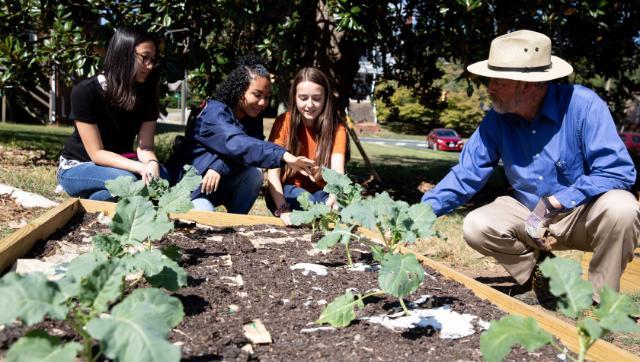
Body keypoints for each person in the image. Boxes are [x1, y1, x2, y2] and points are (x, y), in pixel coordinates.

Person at [421, 30, 639, 299]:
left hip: (581, 215)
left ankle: (601, 299)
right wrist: (418, 215)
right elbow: (466, 175)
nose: (489, 88)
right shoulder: (497, 120)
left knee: (623, 207)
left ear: (527, 85)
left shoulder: (583, 106)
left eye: (497, 81)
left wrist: (558, 201)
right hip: (528, 215)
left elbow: (618, 172)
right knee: (476, 225)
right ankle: (541, 277)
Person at [176, 57, 315, 214]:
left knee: (254, 175)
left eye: (267, 96)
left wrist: (218, 167)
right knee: (206, 224)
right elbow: (238, 143)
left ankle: (237, 222)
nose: (263, 102)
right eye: (257, 94)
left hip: (223, 184)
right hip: (193, 189)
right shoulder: (213, 114)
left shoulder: (253, 117)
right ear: (239, 90)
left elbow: (247, 153)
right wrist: (284, 155)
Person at [57, 27, 166, 201]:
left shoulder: (147, 93)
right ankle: (102, 194)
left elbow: (145, 147)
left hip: (121, 164)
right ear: (124, 54)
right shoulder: (86, 92)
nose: (150, 66)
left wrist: (152, 164)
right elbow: (97, 153)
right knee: (128, 181)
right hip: (79, 166)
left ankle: (95, 200)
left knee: (162, 177)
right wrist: (140, 168)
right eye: (144, 58)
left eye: (153, 60)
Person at [267, 67, 349, 225]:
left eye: (317, 98)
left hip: (322, 193)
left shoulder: (337, 129)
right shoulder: (283, 122)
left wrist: (335, 198)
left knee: (343, 210)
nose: (310, 104)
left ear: (326, 98)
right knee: (310, 205)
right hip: (286, 193)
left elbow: (338, 174)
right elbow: (272, 175)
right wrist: (283, 208)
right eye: (303, 98)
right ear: (294, 97)